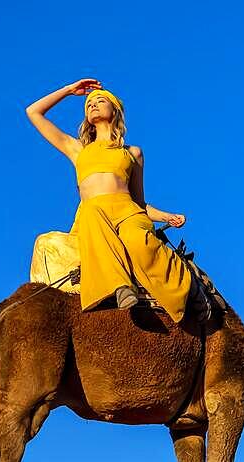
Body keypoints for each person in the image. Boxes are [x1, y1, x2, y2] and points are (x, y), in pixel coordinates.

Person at [25, 78, 192, 321]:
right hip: (94, 216)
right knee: (79, 219)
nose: (92, 104)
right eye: (89, 103)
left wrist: (167, 216)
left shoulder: (132, 153)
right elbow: (34, 112)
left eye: (100, 100)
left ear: (115, 111)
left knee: (138, 242)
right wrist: (69, 91)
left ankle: (190, 291)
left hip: (128, 212)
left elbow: (140, 202)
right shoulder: (78, 149)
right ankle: (120, 287)